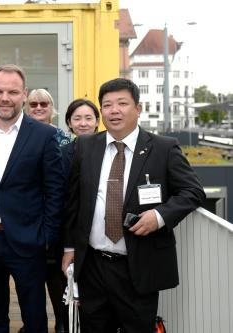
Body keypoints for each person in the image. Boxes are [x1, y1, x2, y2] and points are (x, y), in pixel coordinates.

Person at [62, 78, 206, 333]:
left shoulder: (163, 148)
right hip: (92, 267)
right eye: (107, 105)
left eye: (122, 103)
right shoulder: (86, 146)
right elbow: (74, 201)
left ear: (138, 109)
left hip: (138, 267)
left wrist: (160, 216)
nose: (113, 110)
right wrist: (70, 247)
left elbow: (193, 191)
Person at [0, 64, 64, 333]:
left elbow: (54, 191)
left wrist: (47, 237)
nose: (5, 98)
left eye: (12, 92)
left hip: (30, 240)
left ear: (24, 94)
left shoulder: (45, 135)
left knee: (34, 315)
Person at [23, 88, 73, 333]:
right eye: (33, 104)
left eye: (44, 104)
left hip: (55, 218)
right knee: (28, 280)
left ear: (52, 108)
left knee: (56, 277)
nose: (39, 108)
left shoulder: (64, 140)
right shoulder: (16, 137)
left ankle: (61, 322)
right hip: (25, 220)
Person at [62, 98, 100, 179]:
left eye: (88, 118)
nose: (83, 124)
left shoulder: (108, 149)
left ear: (97, 122)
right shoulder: (62, 153)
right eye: (77, 119)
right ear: (69, 123)